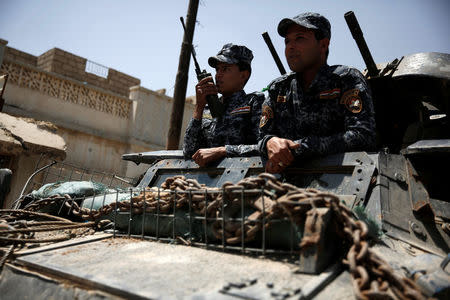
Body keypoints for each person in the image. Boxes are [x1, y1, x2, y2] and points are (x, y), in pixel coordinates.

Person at [258, 12, 376, 173]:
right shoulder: (277, 88)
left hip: (338, 178)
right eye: (287, 41)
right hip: (282, 182)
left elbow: (362, 135)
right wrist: (269, 142)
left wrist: (300, 148)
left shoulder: (345, 79)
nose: (290, 47)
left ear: (323, 45)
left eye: (299, 38)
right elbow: (262, 137)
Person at [183, 43, 265, 166]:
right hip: (208, 181)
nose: (218, 75)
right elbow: (189, 152)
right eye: (217, 69)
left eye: (225, 69)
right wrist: (199, 107)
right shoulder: (206, 109)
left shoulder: (254, 103)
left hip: (242, 178)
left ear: (244, 75)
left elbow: (265, 146)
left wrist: (222, 151)